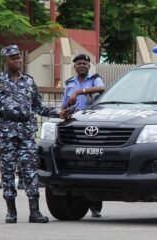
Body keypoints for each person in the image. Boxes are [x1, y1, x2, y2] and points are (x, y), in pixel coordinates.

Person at [0, 44, 60, 224]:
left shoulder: (28, 81)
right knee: (8, 173)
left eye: (18, 57)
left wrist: (59, 113)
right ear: (5, 60)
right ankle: (11, 211)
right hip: (6, 135)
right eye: (13, 58)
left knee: (30, 172)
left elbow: (38, 106)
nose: (17, 60)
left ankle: (35, 212)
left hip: (26, 135)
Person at [59, 53, 105, 217]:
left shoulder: (94, 79)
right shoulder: (69, 83)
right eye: (79, 63)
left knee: (94, 163)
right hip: (74, 125)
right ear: (75, 66)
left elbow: (102, 89)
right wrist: (62, 112)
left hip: (91, 125)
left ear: (89, 65)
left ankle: (95, 204)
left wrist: (79, 92)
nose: (82, 65)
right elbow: (64, 104)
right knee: (77, 163)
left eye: (85, 63)